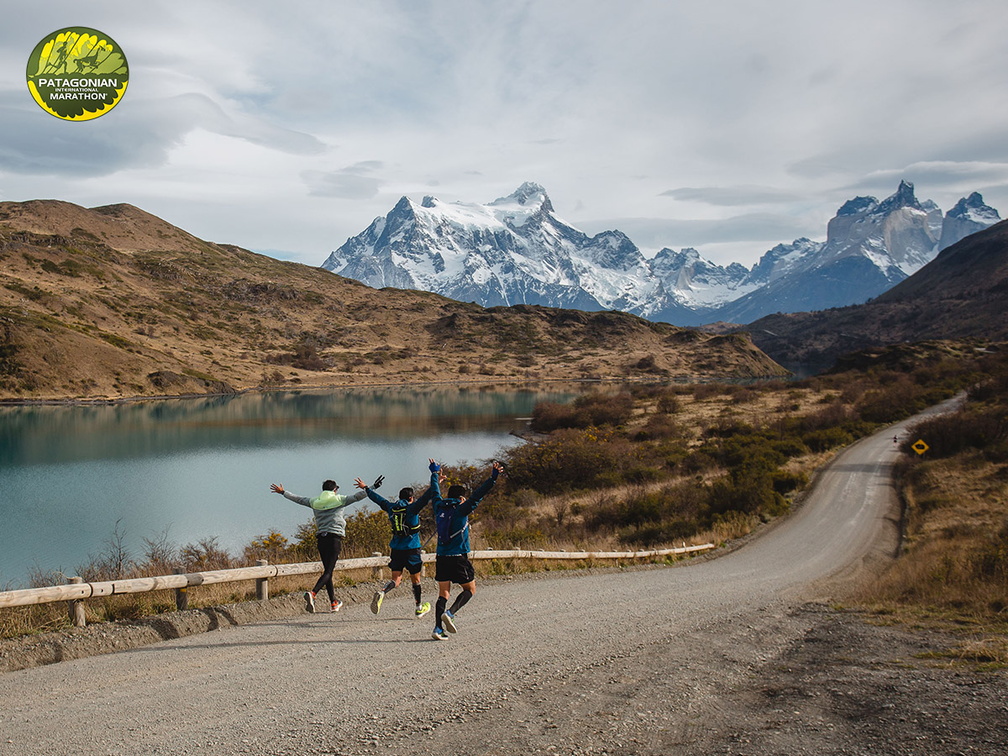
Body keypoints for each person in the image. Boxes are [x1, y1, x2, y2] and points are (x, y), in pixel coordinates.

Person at [427, 458, 504, 640]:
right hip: (459, 557)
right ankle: (451, 614)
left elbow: (435, 492)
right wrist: (493, 478)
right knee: (470, 590)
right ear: (461, 498)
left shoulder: (439, 506)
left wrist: (433, 472)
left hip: (441, 557)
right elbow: (479, 494)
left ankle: (438, 629)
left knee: (443, 592)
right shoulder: (462, 509)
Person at [269, 477, 370, 613]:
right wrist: (370, 487)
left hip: (321, 539)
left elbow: (298, 499)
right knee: (328, 571)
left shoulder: (315, 501)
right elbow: (359, 497)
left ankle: (333, 602)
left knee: (328, 571)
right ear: (335, 490)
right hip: (334, 538)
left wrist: (283, 492)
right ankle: (313, 593)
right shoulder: (340, 499)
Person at [354, 464, 441, 619]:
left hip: (396, 549)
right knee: (416, 580)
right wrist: (436, 479)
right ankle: (418, 607)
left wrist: (366, 487)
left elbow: (377, 499)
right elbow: (428, 496)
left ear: (399, 497)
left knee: (396, 579)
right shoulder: (413, 508)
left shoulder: (391, 507)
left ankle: (382, 592)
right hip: (412, 548)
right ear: (411, 498)